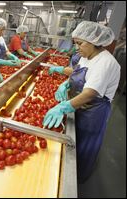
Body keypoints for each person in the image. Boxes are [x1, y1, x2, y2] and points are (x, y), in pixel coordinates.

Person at [43, 21, 120, 183]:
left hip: (94, 111)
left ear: (93, 42)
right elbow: (78, 71)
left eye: (80, 44)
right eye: (75, 43)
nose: (76, 48)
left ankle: (78, 177)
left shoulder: (105, 62)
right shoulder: (88, 56)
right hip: (81, 105)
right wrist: (66, 82)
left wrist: (64, 106)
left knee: (85, 144)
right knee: (75, 138)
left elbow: (91, 92)